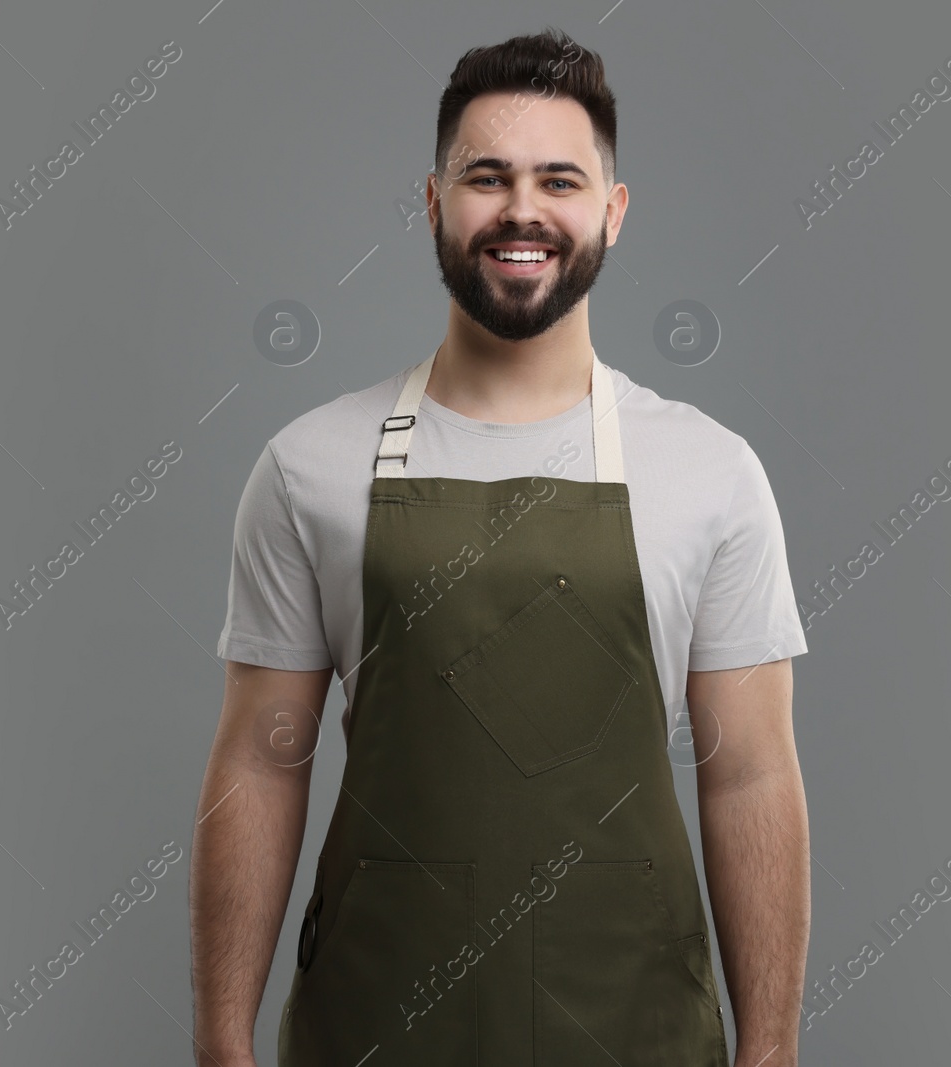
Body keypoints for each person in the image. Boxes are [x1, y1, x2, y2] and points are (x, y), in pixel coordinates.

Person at [191, 27, 810, 1067]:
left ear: (610, 213)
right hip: (376, 1023)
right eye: (487, 177)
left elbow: (747, 770)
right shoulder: (310, 464)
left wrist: (773, 1052)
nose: (522, 209)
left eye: (558, 179)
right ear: (433, 204)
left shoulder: (711, 471)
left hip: (636, 1028)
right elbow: (261, 753)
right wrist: (219, 1042)